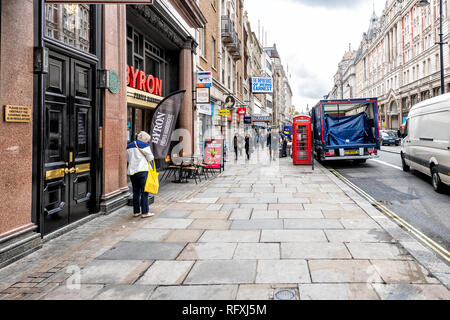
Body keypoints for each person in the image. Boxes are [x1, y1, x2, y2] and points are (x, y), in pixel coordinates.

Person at [126, 131, 155, 219]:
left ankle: (136, 212)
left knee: (135, 192)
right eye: (147, 140)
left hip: (132, 171)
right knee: (144, 192)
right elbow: (151, 157)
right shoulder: (144, 145)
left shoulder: (129, 145)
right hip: (142, 170)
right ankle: (145, 212)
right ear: (145, 139)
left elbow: (127, 159)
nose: (147, 142)